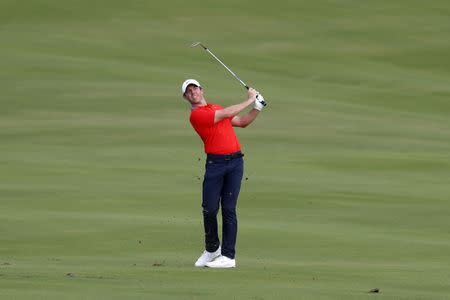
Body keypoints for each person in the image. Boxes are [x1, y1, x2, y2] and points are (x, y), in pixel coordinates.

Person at [181, 78, 266, 268]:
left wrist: (257, 108)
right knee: (209, 209)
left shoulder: (215, 108)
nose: (192, 92)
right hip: (215, 164)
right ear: (185, 97)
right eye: (188, 91)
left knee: (229, 209)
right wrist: (250, 99)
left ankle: (228, 256)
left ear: (202, 90)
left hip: (235, 162)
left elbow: (242, 122)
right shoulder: (196, 115)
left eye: (195, 88)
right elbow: (226, 113)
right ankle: (212, 249)